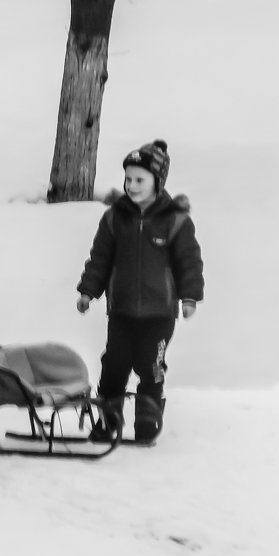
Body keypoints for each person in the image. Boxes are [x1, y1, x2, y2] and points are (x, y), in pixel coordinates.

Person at [76, 139, 204, 445]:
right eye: (128, 179)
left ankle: (148, 413)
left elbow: (189, 262)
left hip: (159, 312)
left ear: (158, 182)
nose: (131, 186)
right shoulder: (114, 218)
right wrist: (88, 291)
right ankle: (109, 418)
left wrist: (189, 298)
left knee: (150, 363)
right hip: (120, 310)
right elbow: (100, 258)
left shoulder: (175, 221)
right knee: (114, 363)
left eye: (139, 180)